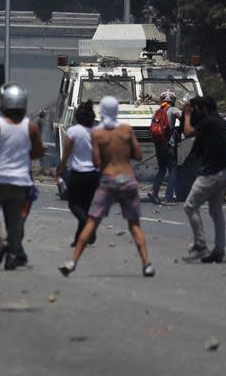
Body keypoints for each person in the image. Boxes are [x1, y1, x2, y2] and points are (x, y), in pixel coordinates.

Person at [59, 96, 154, 278]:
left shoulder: (98, 134)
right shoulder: (126, 130)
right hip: (127, 178)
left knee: (92, 220)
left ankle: (72, 262)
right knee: (134, 224)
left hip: (108, 178)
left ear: (101, 111)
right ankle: (147, 263)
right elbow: (139, 155)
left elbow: (96, 160)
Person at [0, 84, 45, 271]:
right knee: (15, 221)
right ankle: (11, 257)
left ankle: (0, 240)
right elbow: (38, 152)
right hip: (21, 183)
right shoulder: (31, 127)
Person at [181, 96, 226, 263]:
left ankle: (201, 246)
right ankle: (219, 250)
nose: (194, 112)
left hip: (210, 173)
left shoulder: (208, 122)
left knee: (190, 206)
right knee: (216, 212)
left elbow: (188, 132)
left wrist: (187, 114)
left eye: (196, 109)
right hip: (223, 172)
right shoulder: (222, 123)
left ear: (203, 109)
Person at [56, 100, 100, 247]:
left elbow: (66, 153)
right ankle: (79, 239)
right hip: (94, 174)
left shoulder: (73, 131)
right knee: (86, 207)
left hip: (78, 173)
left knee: (74, 204)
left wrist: (60, 170)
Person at [148, 90, 182, 205]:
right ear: (173, 100)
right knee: (172, 169)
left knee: (162, 169)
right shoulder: (174, 110)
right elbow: (182, 119)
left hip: (158, 145)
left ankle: (154, 193)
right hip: (169, 144)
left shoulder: (157, 112)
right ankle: (168, 197)